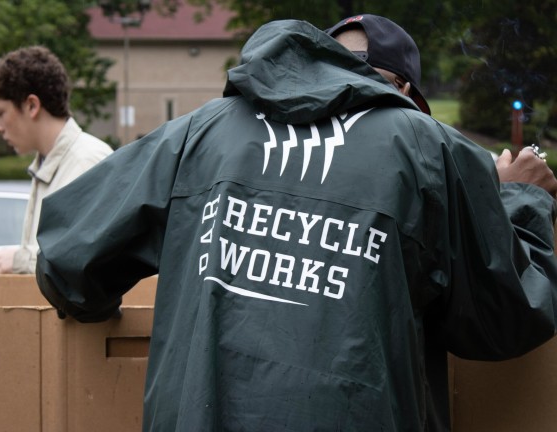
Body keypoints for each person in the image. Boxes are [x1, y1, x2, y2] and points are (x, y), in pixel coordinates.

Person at [35, 14, 557, 431]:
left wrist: (106, 301)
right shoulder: (429, 148)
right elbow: (507, 317)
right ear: (408, 96)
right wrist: (520, 201)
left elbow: (66, 261)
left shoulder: (200, 131)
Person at [0, 46, 113, 274]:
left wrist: (21, 260)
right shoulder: (49, 163)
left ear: (32, 106)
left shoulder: (88, 161)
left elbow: (91, 262)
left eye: (1, 112)